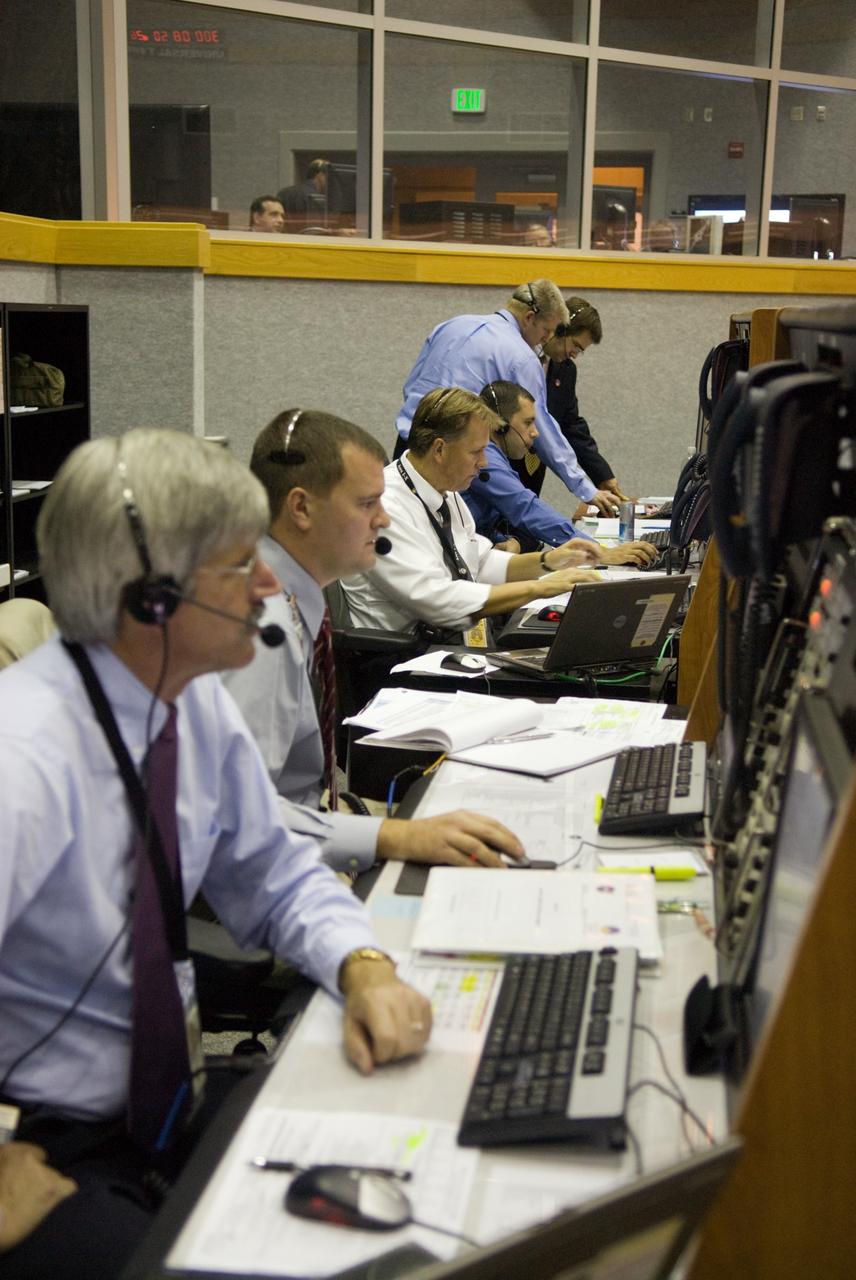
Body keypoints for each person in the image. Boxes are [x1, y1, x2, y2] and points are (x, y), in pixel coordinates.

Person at [0, 429, 431, 1278]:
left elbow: (272, 877)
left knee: (390, 1166)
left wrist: (364, 964)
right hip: (51, 1136)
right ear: (151, 599)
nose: (269, 582)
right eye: (241, 565)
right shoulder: (24, 754)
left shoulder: (186, 703)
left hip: (161, 1102)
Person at [222, 408, 527, 873]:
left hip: (308, 828)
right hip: (270, 868)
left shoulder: (292, 596)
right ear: (301, 508)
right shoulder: (262, 630)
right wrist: (396, 834)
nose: (384, 521)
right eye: (367, 504)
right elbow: (241, 821)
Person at [342, 387, 602, 636]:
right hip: (396, 656)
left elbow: (479, 562)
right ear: (440, 449)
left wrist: (549, 562)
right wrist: (539, 588)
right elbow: (437, 599)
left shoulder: (446, 492)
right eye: (476, 451)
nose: (484, 462)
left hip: (438, 642)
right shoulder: (386, 507)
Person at [393, 280, 620, 518]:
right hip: (451, 458)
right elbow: (540, 426)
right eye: (545, 330)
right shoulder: (522, 357)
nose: (545, 338)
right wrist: (584, 488)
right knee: (455, 541)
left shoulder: (451, 325)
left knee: (407, 529)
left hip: (409, 449)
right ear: (530, 317)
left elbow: (412, 385)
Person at [463, 381, 656, 569]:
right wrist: (598, 552)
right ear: (501, 426)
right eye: (528, 423)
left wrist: (510, 542)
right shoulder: (486, 460)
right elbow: (526, 509)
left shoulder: (493, 454)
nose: (535, 433)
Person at [515, 297, 630, 509]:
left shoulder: (566, 370)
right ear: (560, 330)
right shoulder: (516, 358)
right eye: (575, 345)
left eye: (580, 351)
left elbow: (570, 424)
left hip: (534, 469)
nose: (574, 355)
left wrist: (602, 474)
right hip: (505, 462)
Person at [276, 159, 329, 234]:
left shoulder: (283, 192)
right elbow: (316, 230)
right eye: (330, 177)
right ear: (320, 176)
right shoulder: (317, 199)